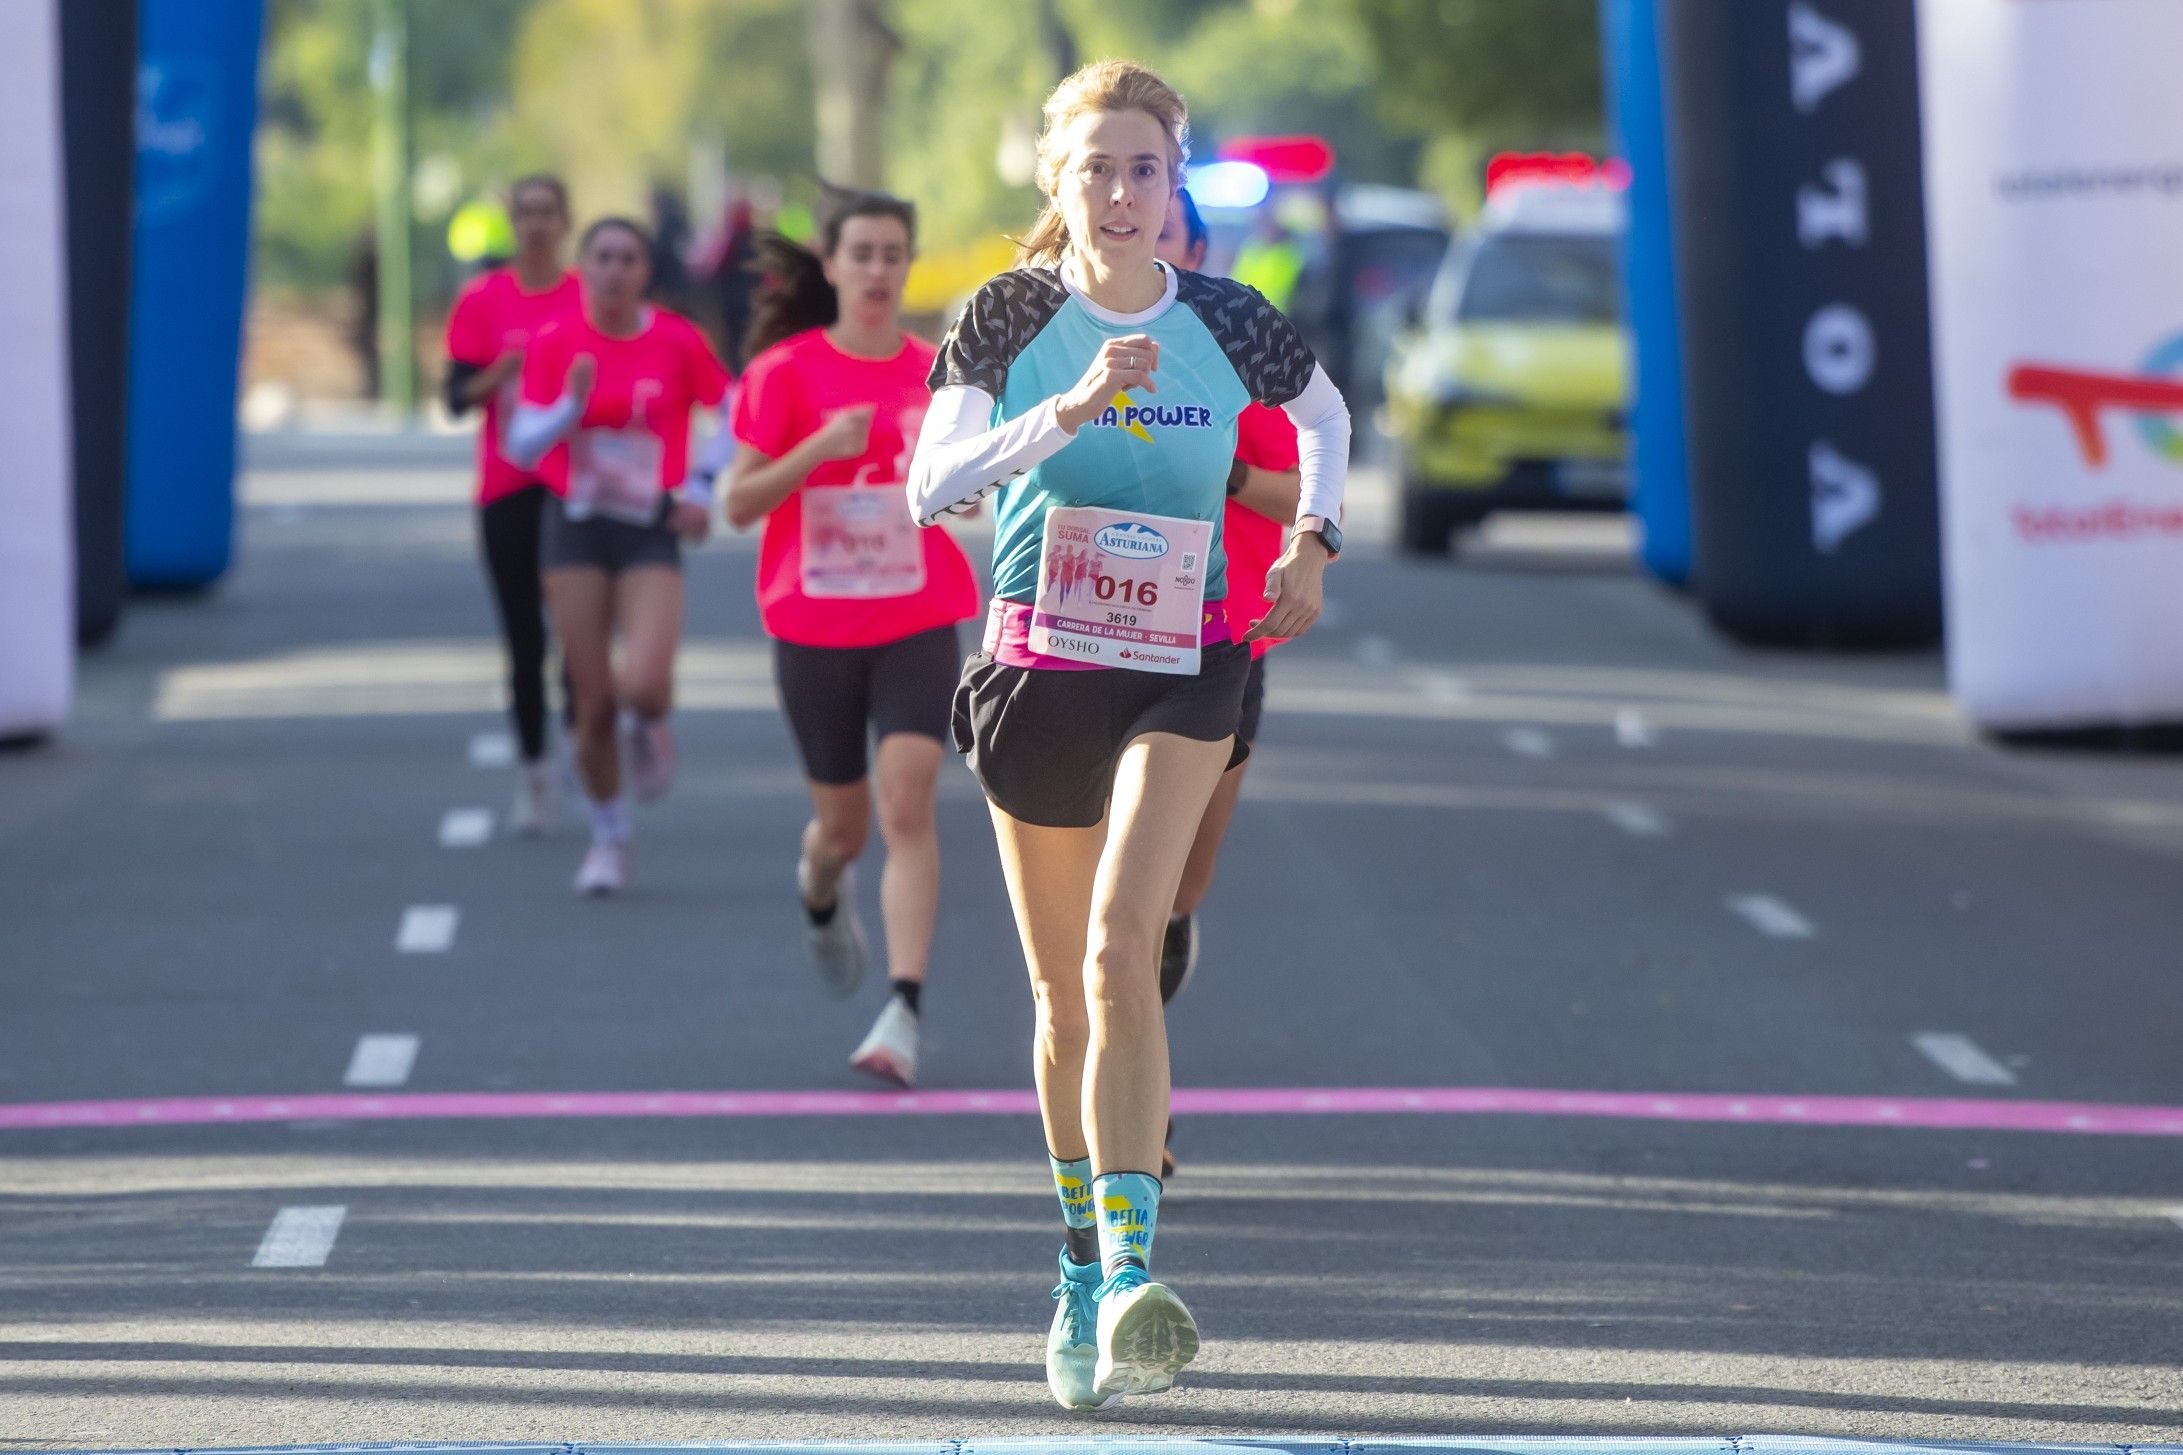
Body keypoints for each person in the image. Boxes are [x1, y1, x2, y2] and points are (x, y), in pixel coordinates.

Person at [906, 60, 1349, 1410]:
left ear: (1173, 184)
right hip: (1038, 667)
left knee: (1119, 949)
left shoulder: (1227, 318)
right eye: (1094, 167)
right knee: (1059, 999)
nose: (1119, 191)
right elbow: (931, 486)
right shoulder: (1007, 315)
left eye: (1143, 168)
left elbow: (1326, 417)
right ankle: (1075, 1264)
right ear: (1058, 181)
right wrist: (1067, 412)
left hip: (1183, 663)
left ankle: (1132, 1273)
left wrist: (1313, 541)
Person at [725, 190, 979, 1085]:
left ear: (907, 266)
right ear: (830, 265)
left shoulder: (940, 376)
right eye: (861, 254)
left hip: (917, 616)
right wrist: (818, 450)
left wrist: (966, 488)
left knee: (905, 806)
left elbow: (968, 491)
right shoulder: (784, 374)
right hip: (815, 624)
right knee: (845, 831)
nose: (877, 270)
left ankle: (902, 1010)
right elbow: (737, 503)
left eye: (891, 254)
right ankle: (819, 884)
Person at [506, 218, 735, 896]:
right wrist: (568, 409)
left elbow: (734, 407)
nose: (613, 270)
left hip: (648, 524)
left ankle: (647, 723)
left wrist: (701, 486)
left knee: (645, 686)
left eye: (627, 258)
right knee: (592, 703)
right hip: (576, 525)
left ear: (644, 271)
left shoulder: (676, 339)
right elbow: (521, 444)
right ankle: (609, 838)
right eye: (602, 257)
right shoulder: (556, 341)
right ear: (583, 267)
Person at [1150, 186, 1306, 1179]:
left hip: (1220, 640)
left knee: (1174, 886)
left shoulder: (1242, 352)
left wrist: (1228, 475)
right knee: (1106, 893)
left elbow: (1305, 492)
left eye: (1162, 229)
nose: (1138, 235)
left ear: (1197, 251)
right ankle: (1133, 1111)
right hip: (1090, 642)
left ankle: (1162, 946)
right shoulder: (1062, 341)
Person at [444, 174, 586, 833]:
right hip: (505, 487)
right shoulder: (483, 299)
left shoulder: (586, 297)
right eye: (525, 212)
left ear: (565, 222)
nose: (535, 224)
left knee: (580, 635)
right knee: (524, 639)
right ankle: (535, 772)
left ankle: (585, 752)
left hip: (576, 487)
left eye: (547, 212)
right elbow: (454, 398)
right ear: (513, 222)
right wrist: (499, 374)